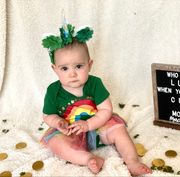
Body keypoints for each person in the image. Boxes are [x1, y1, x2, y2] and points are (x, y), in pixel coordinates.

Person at [41, 23, 152, 176]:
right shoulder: (53, 90)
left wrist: (88, 124)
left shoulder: (95, 83)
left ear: (89, 65)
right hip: (70, 131)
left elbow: (106, 110)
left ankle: (132, 161)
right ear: (55, 69)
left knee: (119, 130)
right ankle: (88, 159)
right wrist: (57, 123)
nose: (72, 74)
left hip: (98, 126)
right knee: (56, 144)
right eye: (65, 68)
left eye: (78, 66)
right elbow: (47, 115)